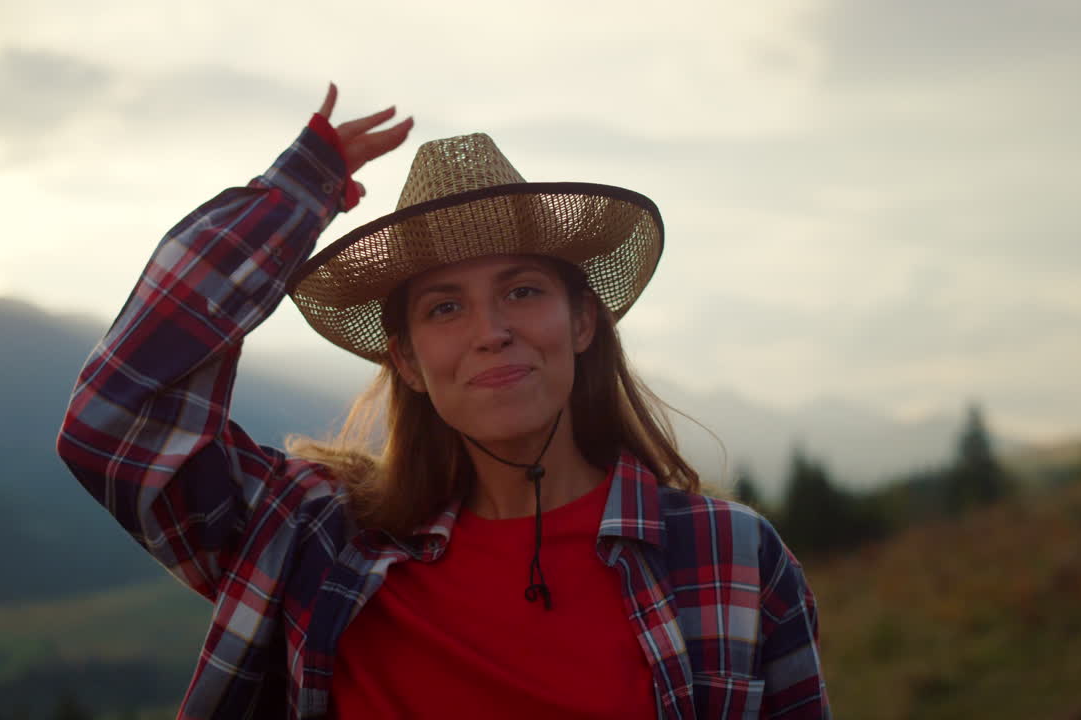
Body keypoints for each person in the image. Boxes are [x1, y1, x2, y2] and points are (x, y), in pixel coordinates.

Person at [57, 84, 831, 720]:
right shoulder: (315, 542)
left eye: (522, 291)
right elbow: (115, 415)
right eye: (445, 309)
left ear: (584, 321)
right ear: (409, 362)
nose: (491, 332)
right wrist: (297, 195)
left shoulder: (731, 559)